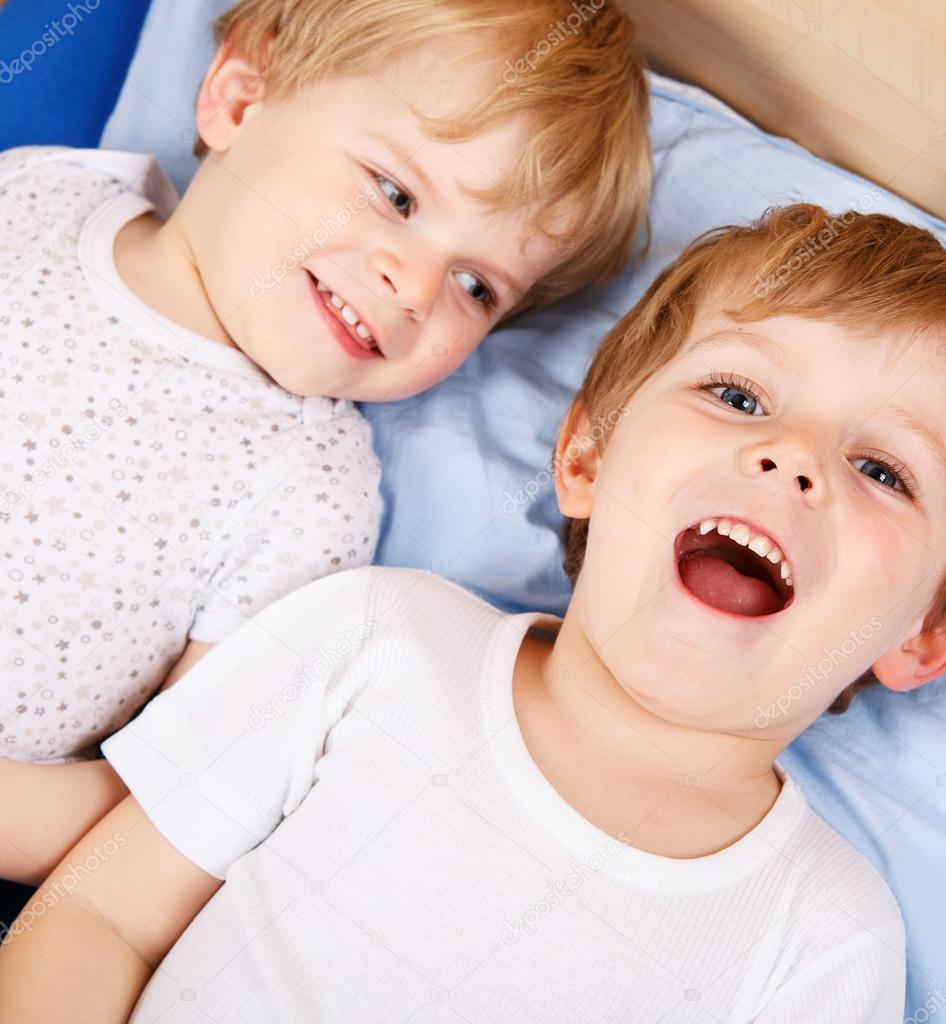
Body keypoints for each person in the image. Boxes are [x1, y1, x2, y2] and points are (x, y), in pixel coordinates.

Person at [6, 204, 946, 1022]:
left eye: (882, 469)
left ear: (926, 632)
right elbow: (98, 912)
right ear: (583, 456)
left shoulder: (821, 935)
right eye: (739, 397)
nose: (791, 457)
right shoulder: (373, 639)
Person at [0, 0, 652, 888]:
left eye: (476, 286)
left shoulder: (311, 492)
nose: (416, 285)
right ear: (238, 100)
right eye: (396, 194)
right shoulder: (41, 192)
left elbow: (158, 815)